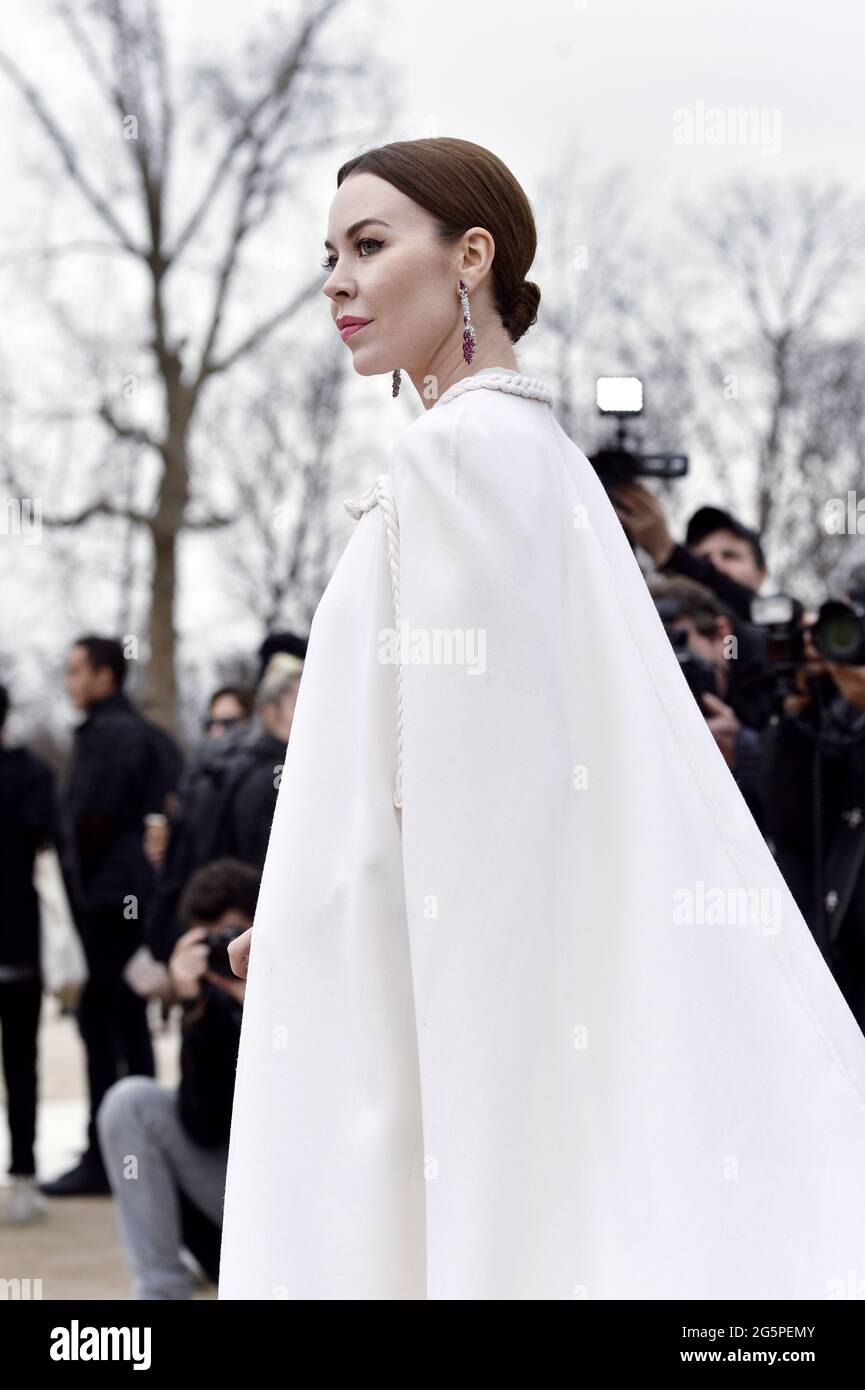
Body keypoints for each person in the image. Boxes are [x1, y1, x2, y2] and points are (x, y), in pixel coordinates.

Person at [218, 138, 865, 1301]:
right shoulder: (540, 459)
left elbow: (472, 790)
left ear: (471, 256)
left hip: (444, 974)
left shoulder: (458, 459)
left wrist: (327, 921)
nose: (336, 281)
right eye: (329, 255)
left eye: (369, 245)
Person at [42, 636, 181, 1197]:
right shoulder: (154, 737)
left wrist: (78, 894)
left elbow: (91, 825)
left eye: (77, 671)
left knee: (104, 1027)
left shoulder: (111, 737)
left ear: (105, 676)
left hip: (108, 905)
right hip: (137, 902)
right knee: (129, 1026)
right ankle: (137, 1149)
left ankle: (108, 1159)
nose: (69, 682)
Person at [97, 859, 253, 1299]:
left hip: (301, 1206)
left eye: (232, 936)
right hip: (227, 1193)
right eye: (208, 943)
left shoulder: (310, 987)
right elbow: (201, 1125)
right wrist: (198, 1010)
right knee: (131, 1102)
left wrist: (264, 1007)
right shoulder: (209, 1006)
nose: (223, 953)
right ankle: (160, 1291)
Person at [0, 684, 58, 1222]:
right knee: (22, 1065)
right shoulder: (31, 775)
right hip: (19, 944)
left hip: (18, 946)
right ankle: (23, 1175)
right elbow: (51, 842)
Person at [610, 489, 767, 623]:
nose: (715, 564)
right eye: (703, 558)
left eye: (730, 556)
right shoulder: (656, 621)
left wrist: (670, 554)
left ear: (761, 575)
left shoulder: (786, 634)